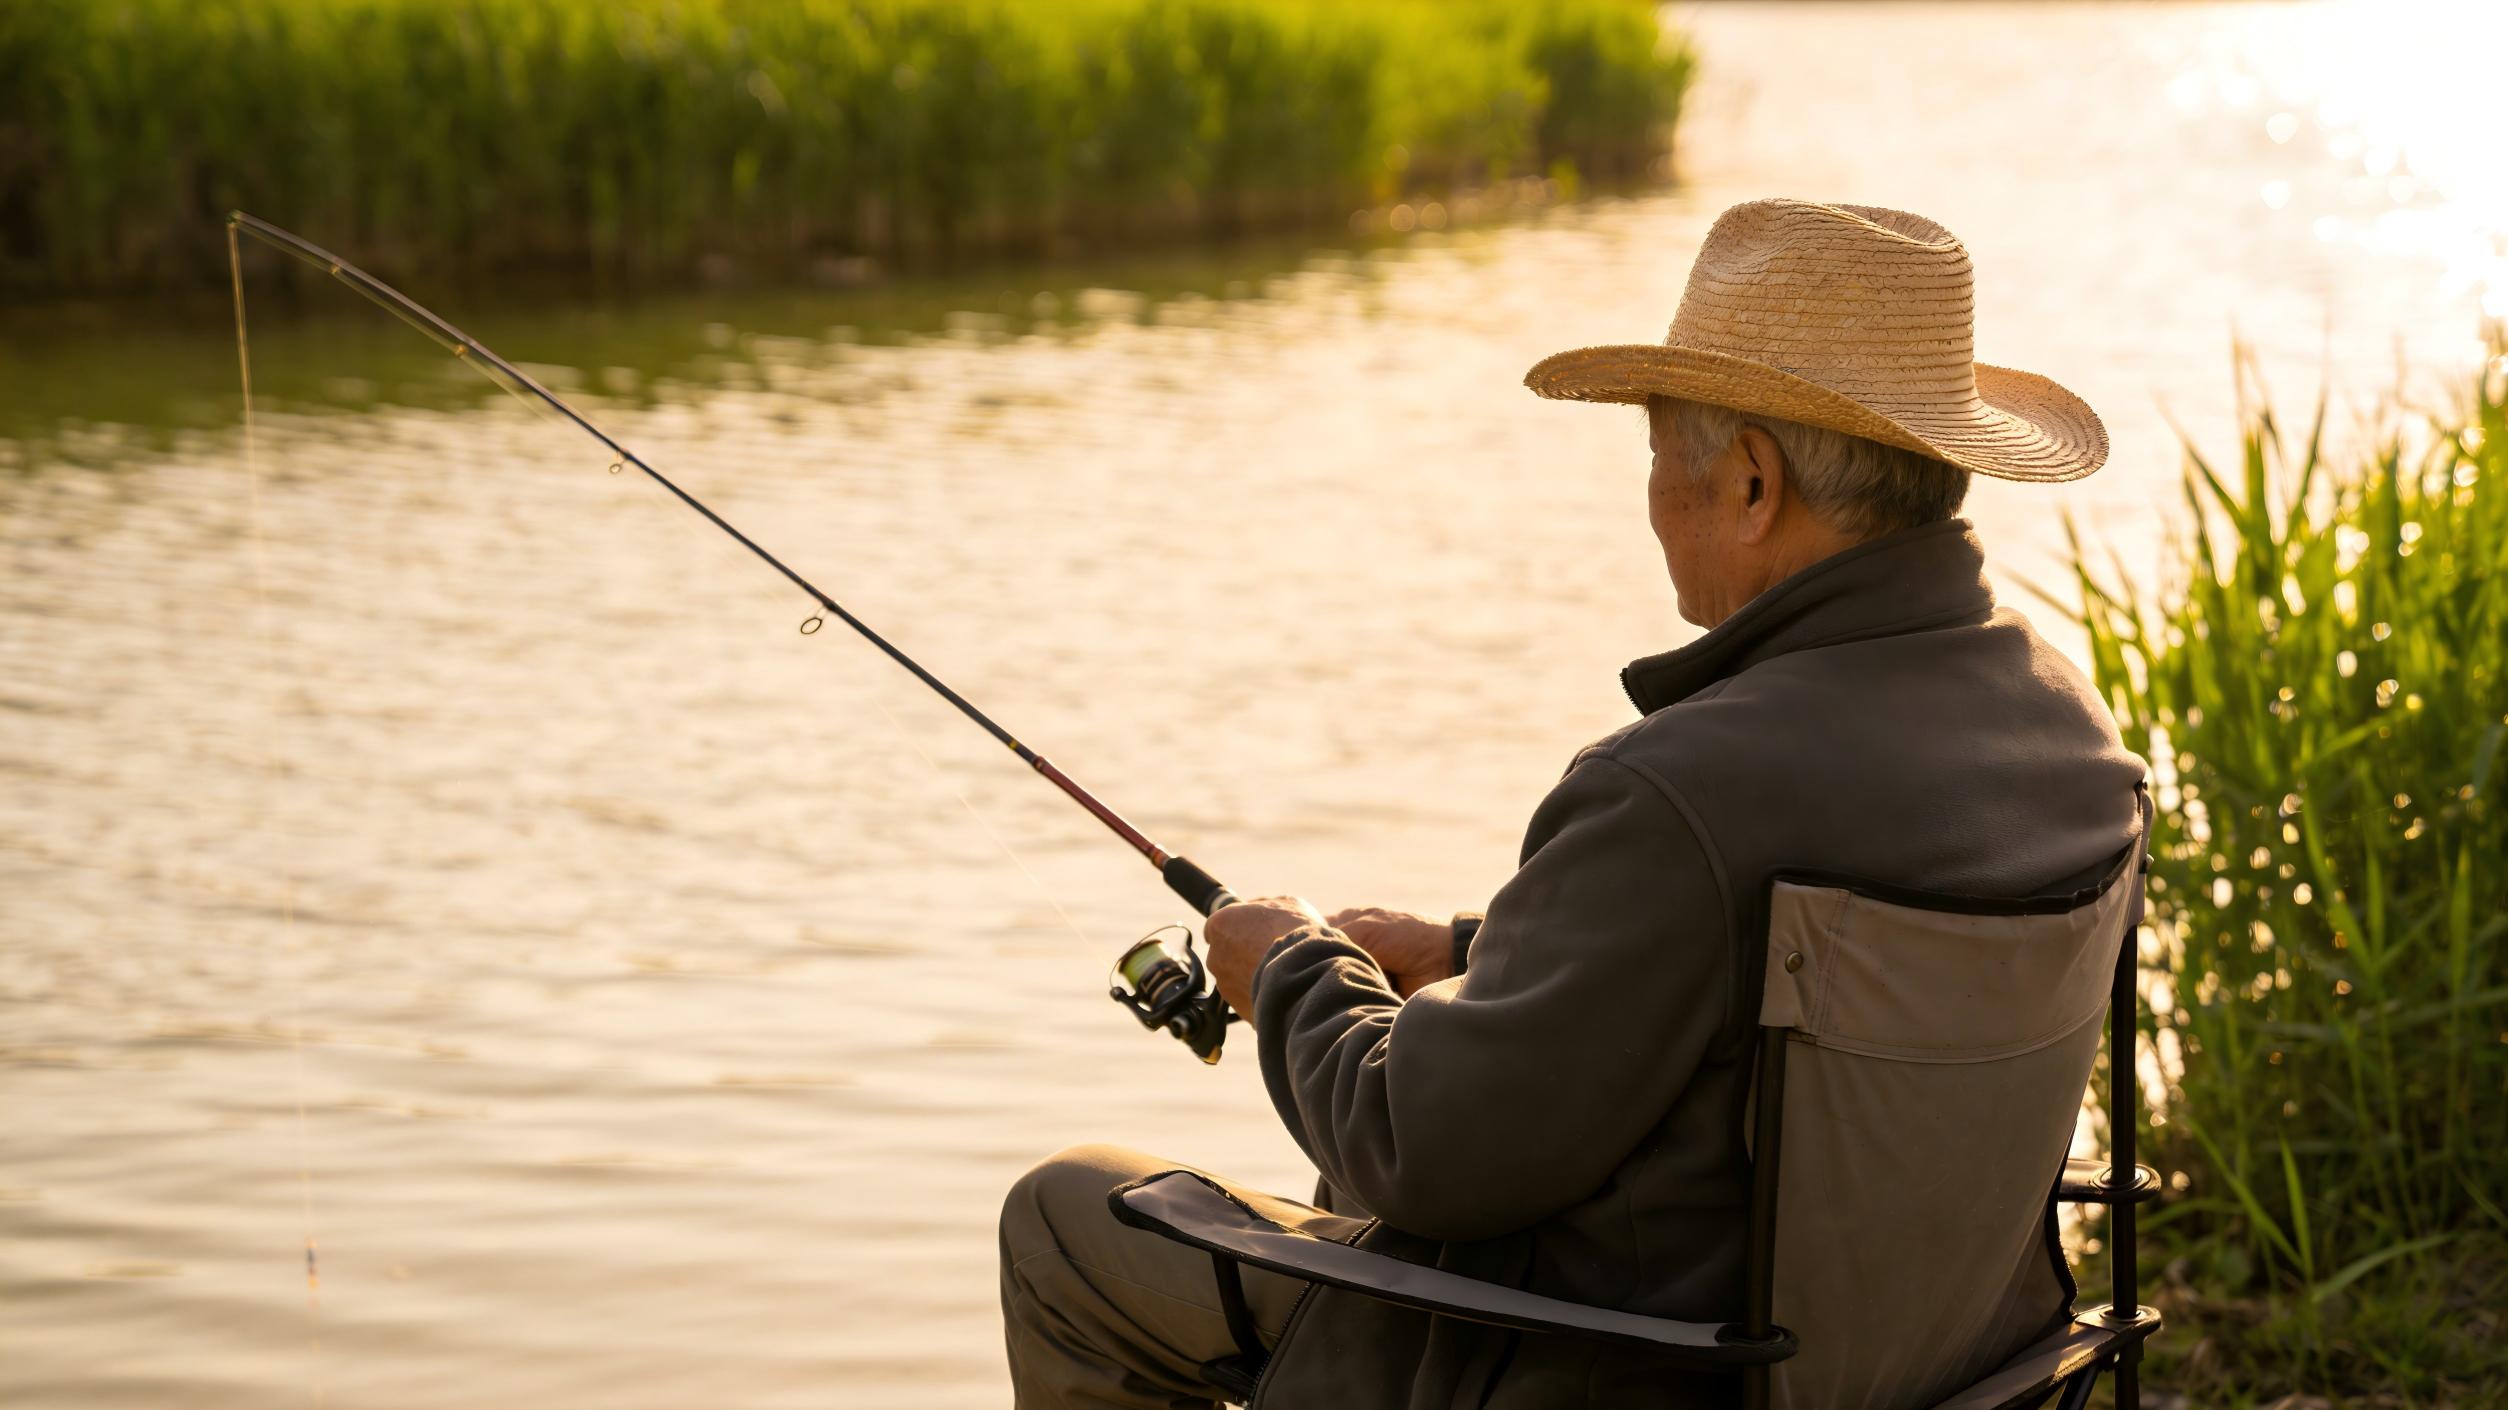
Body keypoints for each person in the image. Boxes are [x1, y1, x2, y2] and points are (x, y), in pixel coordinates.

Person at [1000, 198, 2146, 1409]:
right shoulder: (2077, 743)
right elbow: (1762, 972)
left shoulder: (1679, 790)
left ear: (1752, 482)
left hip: (1619, 1367)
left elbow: (1418, 1151)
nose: (1652, 499)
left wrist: (1287, 965)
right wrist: (1460, 953)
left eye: (1660, 454)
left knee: (1067, 1216)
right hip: (1961, 1380)